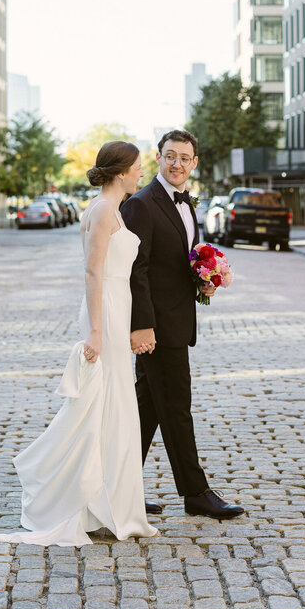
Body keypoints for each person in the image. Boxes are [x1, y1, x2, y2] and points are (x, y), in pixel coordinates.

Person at [0, 140, 158, 547]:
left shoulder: (109, 208)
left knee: (113, 407)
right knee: (107, 405)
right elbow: (92, 272)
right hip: (107, 311)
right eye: (138, 167)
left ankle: (109, 502)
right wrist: (97, 331)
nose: (141, 173)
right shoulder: (102, 210)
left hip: (116, 309)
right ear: (121, 172)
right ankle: (97, 503)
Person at [122, 129, 245, 520]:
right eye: (170, 156)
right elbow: (135, 271)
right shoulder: (141, 204)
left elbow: (177, 258)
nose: (177, 164)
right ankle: (195, 493)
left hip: (176, 320)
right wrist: (142, 326)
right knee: (177, 407)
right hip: (157, 328)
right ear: (158, 157)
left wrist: (205, 273)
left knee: (147, 411)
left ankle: (118, 490)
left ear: (194, 163)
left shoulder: (187, 203)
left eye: (185, 158)